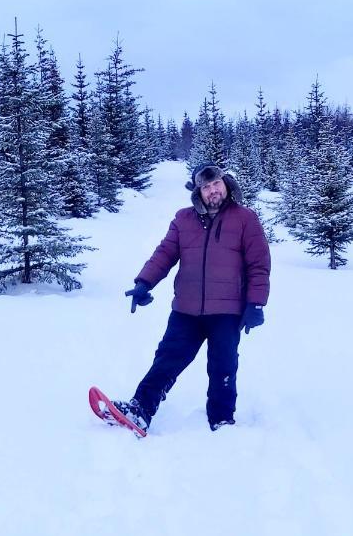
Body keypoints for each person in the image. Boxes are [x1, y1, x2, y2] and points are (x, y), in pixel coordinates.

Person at [114, 163, 271, 433]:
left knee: (223, 367)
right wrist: (144, 283)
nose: (213, 191)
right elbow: (164, 253)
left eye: (216, 184)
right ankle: (140, 409)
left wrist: (255, 303)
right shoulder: (183, 219)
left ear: (225, 183)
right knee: (167, 359)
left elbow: (258, 264)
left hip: (227, 310)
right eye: (206, 187)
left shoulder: (245, 218)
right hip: (186, 309)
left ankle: (222, 420)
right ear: (198, 190)